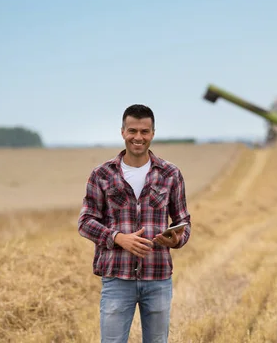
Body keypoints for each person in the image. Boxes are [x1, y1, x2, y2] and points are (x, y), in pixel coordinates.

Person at [78, 104, 192, 343]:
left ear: (152, 133)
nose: (138, 137)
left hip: (158, 276)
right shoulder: (102, 175)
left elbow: (183, 221)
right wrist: (118, 238)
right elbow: (85, 221)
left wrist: (177, 238)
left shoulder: (171, 174)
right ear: (122, 132)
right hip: (117, 278)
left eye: (144, 131)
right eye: (132, 131)